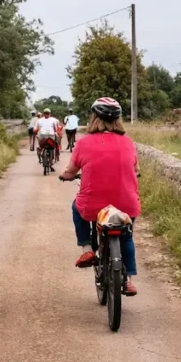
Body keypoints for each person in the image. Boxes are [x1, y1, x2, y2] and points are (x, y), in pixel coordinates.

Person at [58, 97, 140, 296]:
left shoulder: (84, 143)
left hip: (93, 205)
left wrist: (65, 176)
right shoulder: (128, 142)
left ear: (94, 117)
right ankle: (129, 280)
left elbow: (70, 171)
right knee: (126, 234)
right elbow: (136, 169)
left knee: (76, 208)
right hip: (125, 205)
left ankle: (87, 247)